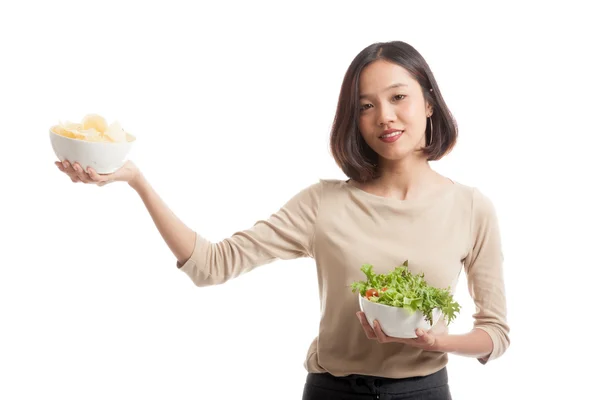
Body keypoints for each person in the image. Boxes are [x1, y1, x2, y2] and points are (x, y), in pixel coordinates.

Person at [54, 41, 510, 400]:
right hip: (334, 392)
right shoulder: (322, 204)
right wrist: (137, 181)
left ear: (429, 103)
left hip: (424, 392)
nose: (384, 117)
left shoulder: (471, 208)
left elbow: (495, 332)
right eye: (366, 106)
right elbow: (212, 265)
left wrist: (440, 343)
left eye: (398, 97)